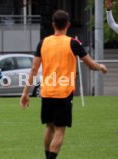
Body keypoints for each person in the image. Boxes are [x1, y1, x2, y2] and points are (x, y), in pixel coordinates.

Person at [20, 10, 107, 159]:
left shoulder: (43, 42)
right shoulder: (73, 43)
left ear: (53, 24)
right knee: (60, 129)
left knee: (49, 127)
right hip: (64, 92)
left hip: (47, 91)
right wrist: (101, 67)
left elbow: (34, 69)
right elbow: (90, 65)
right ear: (68, 25)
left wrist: (25, 93)